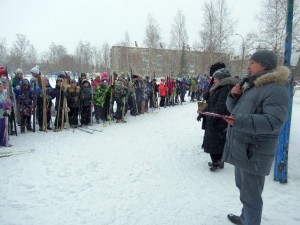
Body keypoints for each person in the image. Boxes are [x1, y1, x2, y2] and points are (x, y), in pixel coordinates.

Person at [222, 50, 290, 225]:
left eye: (252, 62)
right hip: (243, 149)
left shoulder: (275, 88)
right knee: (243, 190)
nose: (248, 65)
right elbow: (233, 110)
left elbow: (273, 122)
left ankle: (250, 220)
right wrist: (233, 96)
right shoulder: (253, 86)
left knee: (251, 197)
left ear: (264, 64)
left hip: (255, 152)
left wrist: (238, 121)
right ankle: (245, 218)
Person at [202, 68, 239, 171]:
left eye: (216, 79)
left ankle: (217, 162)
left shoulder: (224, 89)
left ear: (222, 79)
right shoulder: (218, 88)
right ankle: (218, 161)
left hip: (218, 121)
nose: (214, 80)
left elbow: (220, 106)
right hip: (215, 119)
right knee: (215, 142)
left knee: (215, 142)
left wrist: (212, 117)